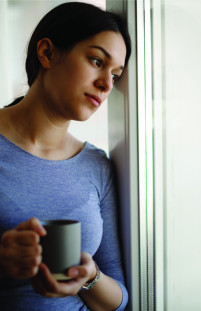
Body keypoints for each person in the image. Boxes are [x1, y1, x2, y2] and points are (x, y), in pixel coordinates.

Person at [0, 2, 131, 310]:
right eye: (97, 61)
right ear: (47, 53)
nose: (107, 84)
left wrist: (90, 277)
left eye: (116, 74)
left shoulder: (97, 166)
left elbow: (118, 300)